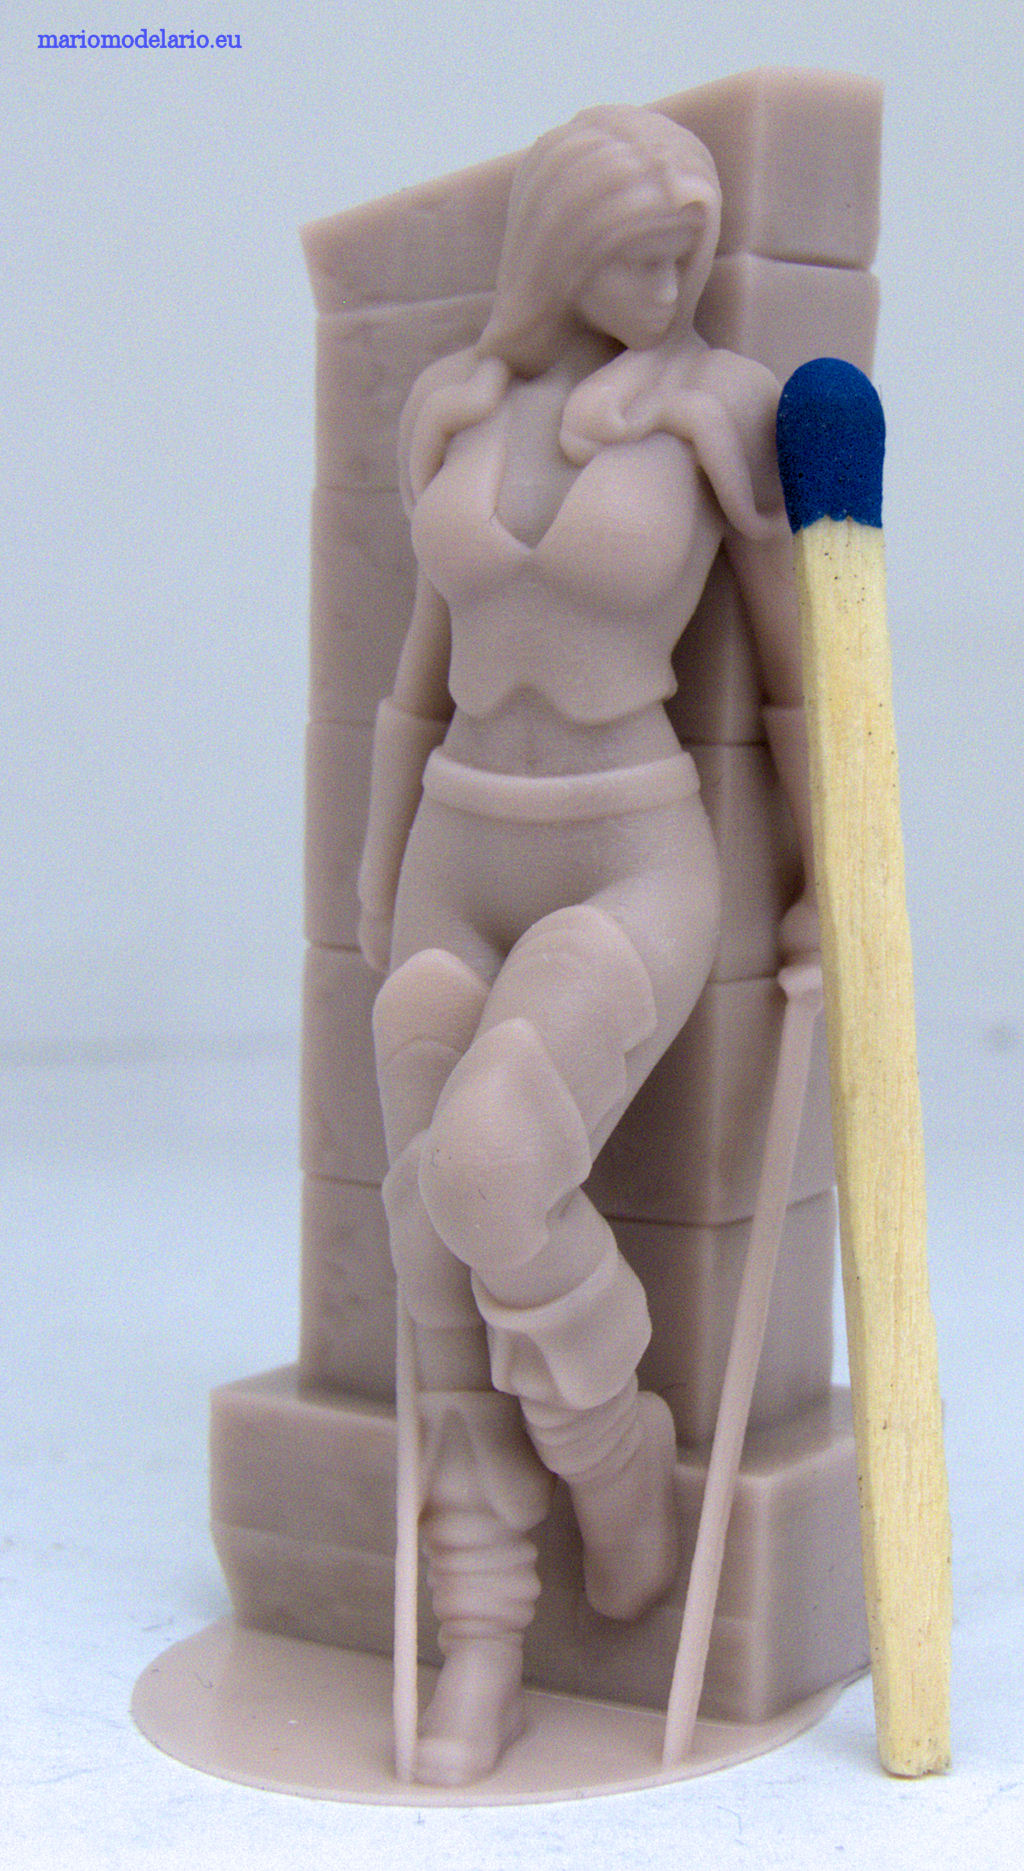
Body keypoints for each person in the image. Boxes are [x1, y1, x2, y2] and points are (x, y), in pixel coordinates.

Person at [356, 104, 817, 1786]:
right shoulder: (457, 403)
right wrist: (373, 867)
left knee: (488, 1164)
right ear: (561, 250)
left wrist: (827, 874)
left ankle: (617, 1459)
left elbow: (797, 669)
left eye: (692, 259)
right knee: (428, 1237)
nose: (673, 290)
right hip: (455, 840)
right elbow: (419, 672)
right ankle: (483, 1635)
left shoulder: (718, 408)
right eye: (640, 258)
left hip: (630, 850)